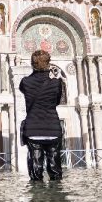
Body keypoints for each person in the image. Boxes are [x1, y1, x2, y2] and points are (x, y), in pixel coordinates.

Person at [20, 50, 64, 181]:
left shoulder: (25, 82)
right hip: (53, 129)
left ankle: (37, 197)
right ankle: (56, 197)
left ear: (32, 64)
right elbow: (56, 102)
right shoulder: (56, 83)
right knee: (55, 168)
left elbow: (23, 89)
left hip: (33, 129)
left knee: (35, 169)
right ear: (48, 63)